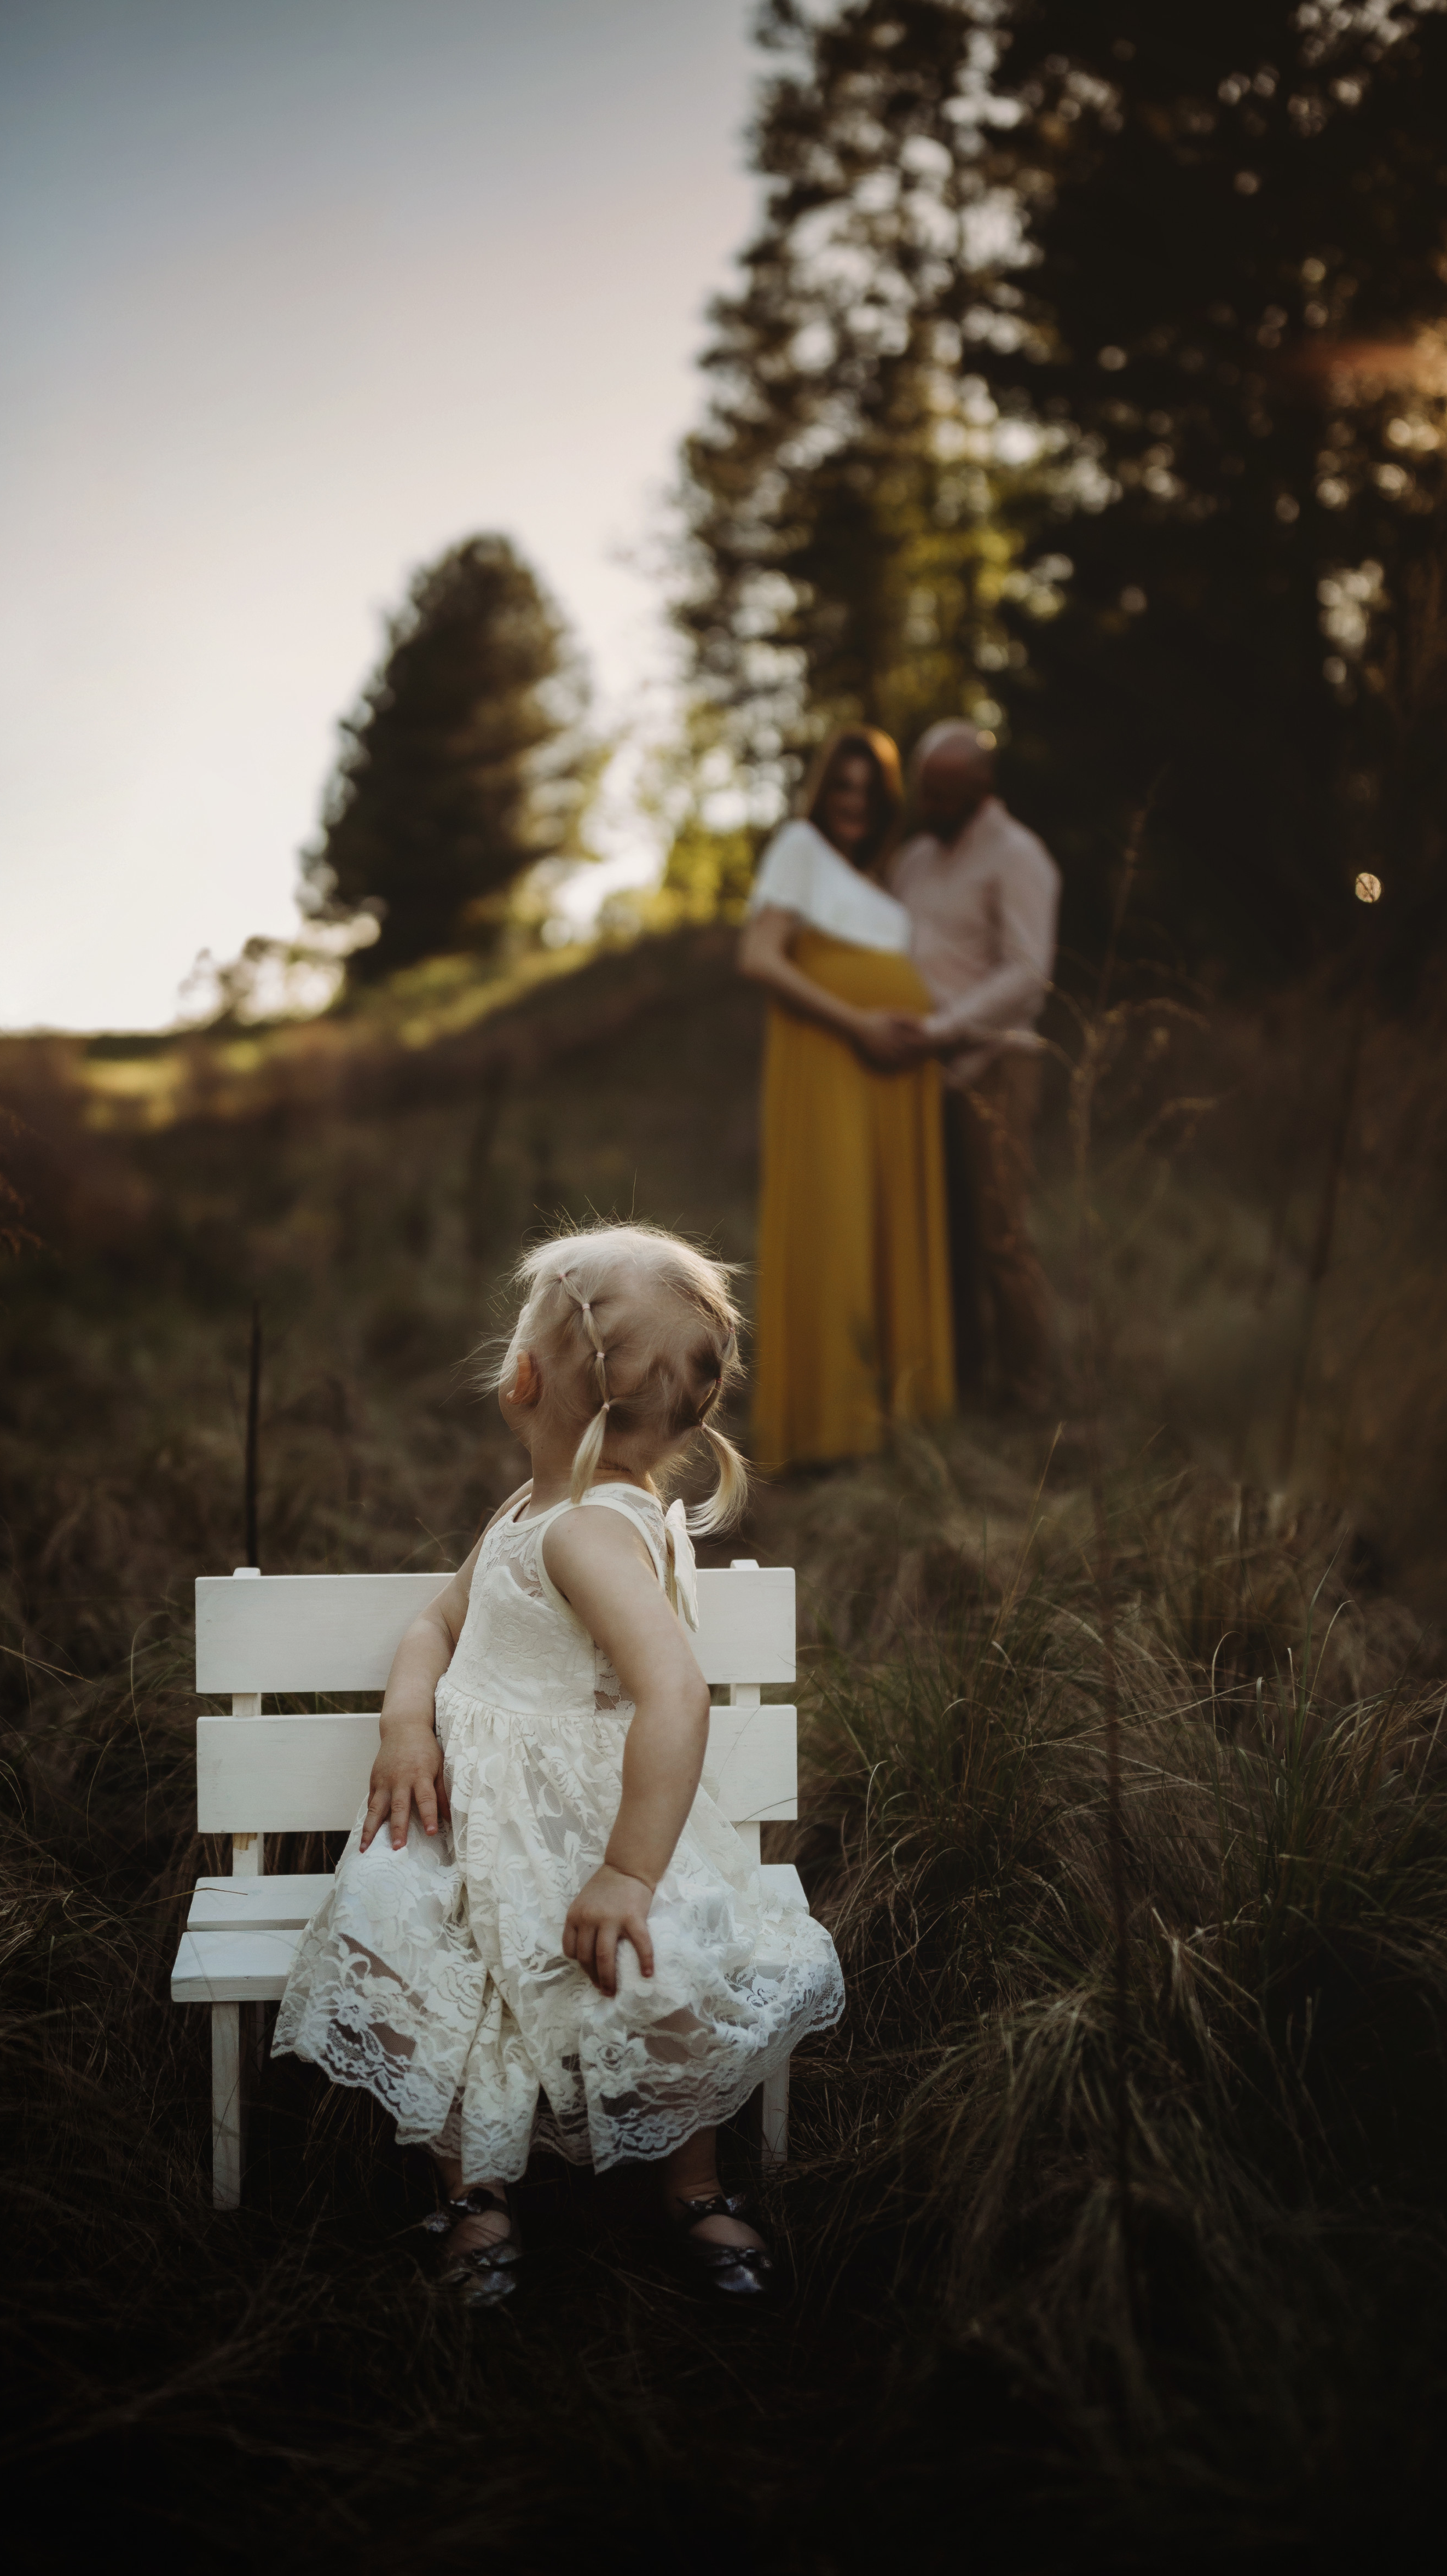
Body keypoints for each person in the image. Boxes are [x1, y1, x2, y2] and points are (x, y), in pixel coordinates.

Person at [273, 1224, 844, 2306]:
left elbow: (674, 1689)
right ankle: (474, 2192)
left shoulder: (586, 1533)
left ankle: (693, 2184)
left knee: (658, 1972)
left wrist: (628, 1871)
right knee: (411, 1947)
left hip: (584, 1830)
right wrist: (406, 1724)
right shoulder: (529, 1516)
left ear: (521, 1373)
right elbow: (434, 1626)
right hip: (476, 1822)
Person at [737, 726, 956, 1470]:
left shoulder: (883, 880)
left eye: (869, 790)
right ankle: (825, 1433)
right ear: (822, 791)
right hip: (829, 1063)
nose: (853, 802)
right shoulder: (798, 846)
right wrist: (858, 1021)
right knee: (835, 1227)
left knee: (883, 1229)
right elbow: (759, 956)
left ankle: (893, 1422)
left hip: (890, 1083)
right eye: (842, 786)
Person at [887, 723, 1058, 1415]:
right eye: (924, 790)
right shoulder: (916, 860)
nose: (929, 803)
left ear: (982, 787)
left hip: (994, 1066)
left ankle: (1028, 1392)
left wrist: (944, 1029)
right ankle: (961, 1380)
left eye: (944, 792)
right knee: (943, 1234)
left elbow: (1028, 972)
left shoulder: (1019, 856)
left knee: (999, 1234)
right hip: (919, 1073)